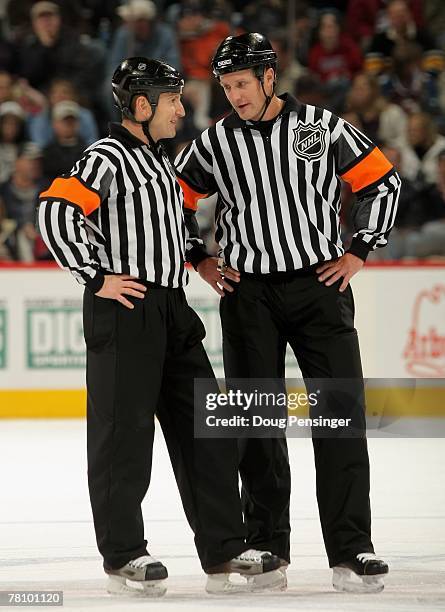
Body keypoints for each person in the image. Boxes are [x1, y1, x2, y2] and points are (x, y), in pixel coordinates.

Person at [37, 56, 281, 597]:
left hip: (172, 308)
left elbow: (179, 221)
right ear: (141, 106)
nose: (181, 108)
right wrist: (95, 275)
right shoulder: (107, 158)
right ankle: (124, 555)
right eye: (171, 100)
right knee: (124, 438)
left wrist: (200, 258)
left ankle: (224, 550)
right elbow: (56, 210)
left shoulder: (157, 161)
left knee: (207, 433)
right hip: (127, 310)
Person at [175, 32, 401, 593]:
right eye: (227, 87)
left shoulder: (321, 127)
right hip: (248, 295)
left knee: (339, 417)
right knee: (257, 423)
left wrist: (359, 250)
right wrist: (198, 257)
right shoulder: (213, 142)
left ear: (270, 78)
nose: (235, 97)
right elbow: (170, 199)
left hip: (320, 288)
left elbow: (383, 181)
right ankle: (267, 545)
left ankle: (352, 549)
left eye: (244, 85)